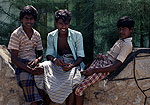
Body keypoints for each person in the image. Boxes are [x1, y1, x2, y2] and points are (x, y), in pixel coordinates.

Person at [75, 16, 135, 105]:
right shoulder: (121, 40)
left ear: (131, 30)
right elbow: (111, 56)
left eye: (124, 29)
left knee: (79, 88)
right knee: (79, 78)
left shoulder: (127, 44)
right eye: (119, 29)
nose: (121, 31)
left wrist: (94, 70)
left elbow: (115, 65)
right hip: (103, 63)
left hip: (105, 69)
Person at [34, 9, 85, 105]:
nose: (63, 27)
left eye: (66, 24)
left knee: (72, 82)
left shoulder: (77, 35)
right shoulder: (51, 36)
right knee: (42, 67)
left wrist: (72, 65)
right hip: (57, 63)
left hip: (72, 63)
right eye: (61, 24)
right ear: (56, 23)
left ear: (69, 23)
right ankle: (41, 102)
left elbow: (81, 56)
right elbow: (49, 54)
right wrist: (54, 60)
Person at [8, 5, 48, 105]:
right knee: (27, 78)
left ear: (34, 20)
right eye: (26, 18)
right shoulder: (16, 34)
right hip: (21, 64)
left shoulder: (36, 35)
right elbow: (14, 59)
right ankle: (37, 102)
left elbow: (40, 54)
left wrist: (37, 60)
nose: (29, 21)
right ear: (22, 19)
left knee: (45, 77)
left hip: (33, 62)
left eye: (31, 19)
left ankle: (46, 100)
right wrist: (30, 70)